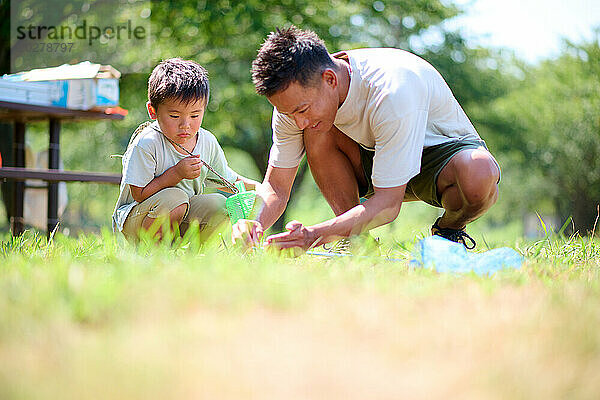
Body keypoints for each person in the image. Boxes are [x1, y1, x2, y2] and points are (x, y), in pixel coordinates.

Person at [232, 26, 500, 251]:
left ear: (330, 79)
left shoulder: (392, 91)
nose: (298, 121)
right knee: (316, 128)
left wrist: (314, 235)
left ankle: (448, 230)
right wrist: (253, 222)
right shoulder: (295, 105)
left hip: (439, 159)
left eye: (302, 109)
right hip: (371, 157)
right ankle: (356, 241)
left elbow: (387, 205)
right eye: (289, 113)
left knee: (479, 172)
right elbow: (277, 186)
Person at [113, 58, 258, 241]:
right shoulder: (147, 142)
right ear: (153, 111)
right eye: (174, 115)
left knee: (219, 204)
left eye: (195, 115)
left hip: (181, 212)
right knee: (175, 198)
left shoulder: (206, 141)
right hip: (137, 221)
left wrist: (261, 189)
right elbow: (139, 194)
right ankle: (154, 253)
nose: (185, 125)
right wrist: (176, 173)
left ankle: (190, 258)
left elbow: (228, 181)